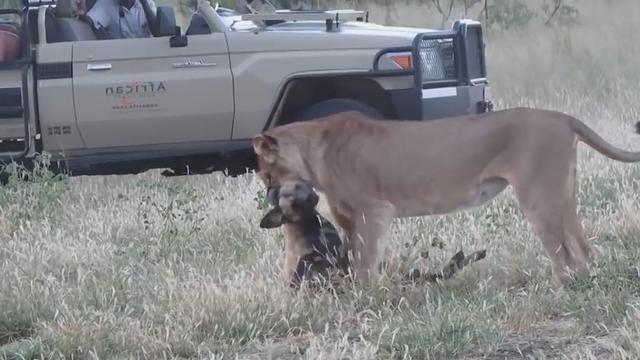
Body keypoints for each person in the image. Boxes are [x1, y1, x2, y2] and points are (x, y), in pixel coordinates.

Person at [77, 0, 158, 39]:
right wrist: (83, 12)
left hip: (146, 51)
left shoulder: (148, 3)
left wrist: (144, 3)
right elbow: (90, 20)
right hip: (120, 54)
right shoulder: (106, 4)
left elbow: (156, 31)